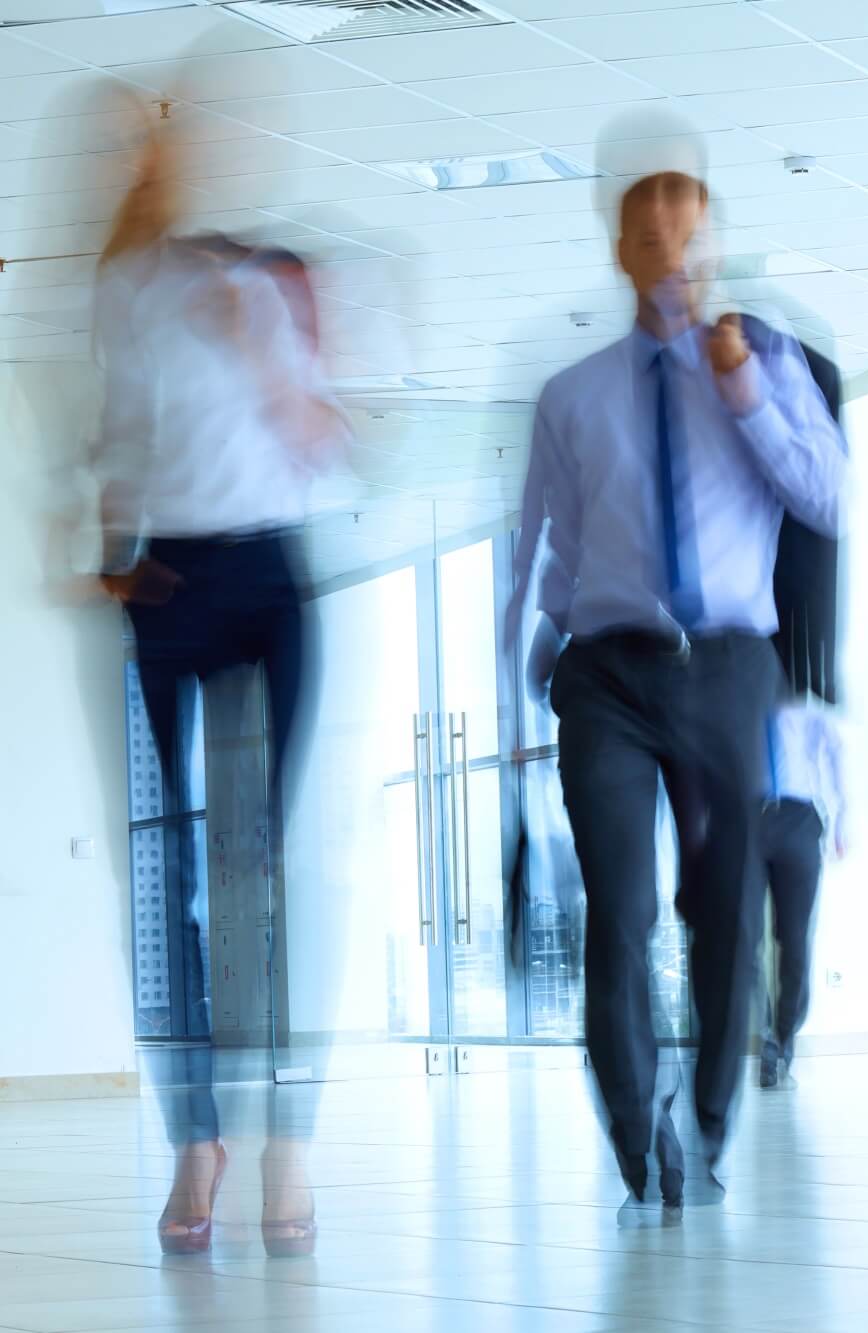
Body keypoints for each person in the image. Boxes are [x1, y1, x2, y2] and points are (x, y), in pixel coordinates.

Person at [504, 170, 844, 1222]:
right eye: (646, 237)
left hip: (727, 664)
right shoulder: (572, 394)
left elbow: (823, 494)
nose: (668, 255)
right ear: (621, 254)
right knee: (621, 908)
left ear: (711, 248)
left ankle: (703, 1121)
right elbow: (550, 545)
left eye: (685, 235)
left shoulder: (775, 364)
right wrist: (531, 656)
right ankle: (630, 1130)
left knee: (725, 913)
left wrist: (744, 392)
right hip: (603, 669)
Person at [91, 119, 346, 1255]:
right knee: (170, 869)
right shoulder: (123, 293)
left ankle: (288, 1140)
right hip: (167, 580)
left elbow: (320, 439)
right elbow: (121, 433)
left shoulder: (274, 279)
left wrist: (261, 337)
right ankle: (195, 1139)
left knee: (264, 868)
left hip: (267, 576)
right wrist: (108, 543)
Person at [755, 698, 846, 1091]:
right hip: (747, 816)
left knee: (794, 942)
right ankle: (765, 1041)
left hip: (799, 819)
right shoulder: (740, 697)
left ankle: (782, 1039)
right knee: (744, 939)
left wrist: (842, 817)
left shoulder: (811, 710)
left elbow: (838, 753)